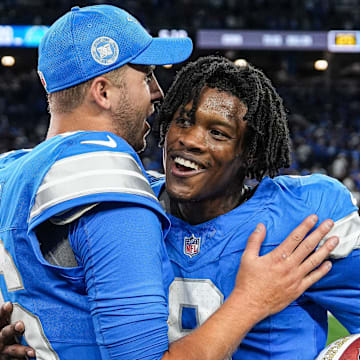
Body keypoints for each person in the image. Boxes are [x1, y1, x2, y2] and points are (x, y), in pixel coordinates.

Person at [0, 6, 339, 360]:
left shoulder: (10, 172)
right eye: (145, 76)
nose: (158, 92)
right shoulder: (106, 178)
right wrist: (250, 301)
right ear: (103, 92)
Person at [151, 55, 360, 359]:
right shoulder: (133, 204)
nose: (191, 140)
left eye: (218, 133)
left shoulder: (303, 218)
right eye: (183, 121)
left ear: (250, 154)